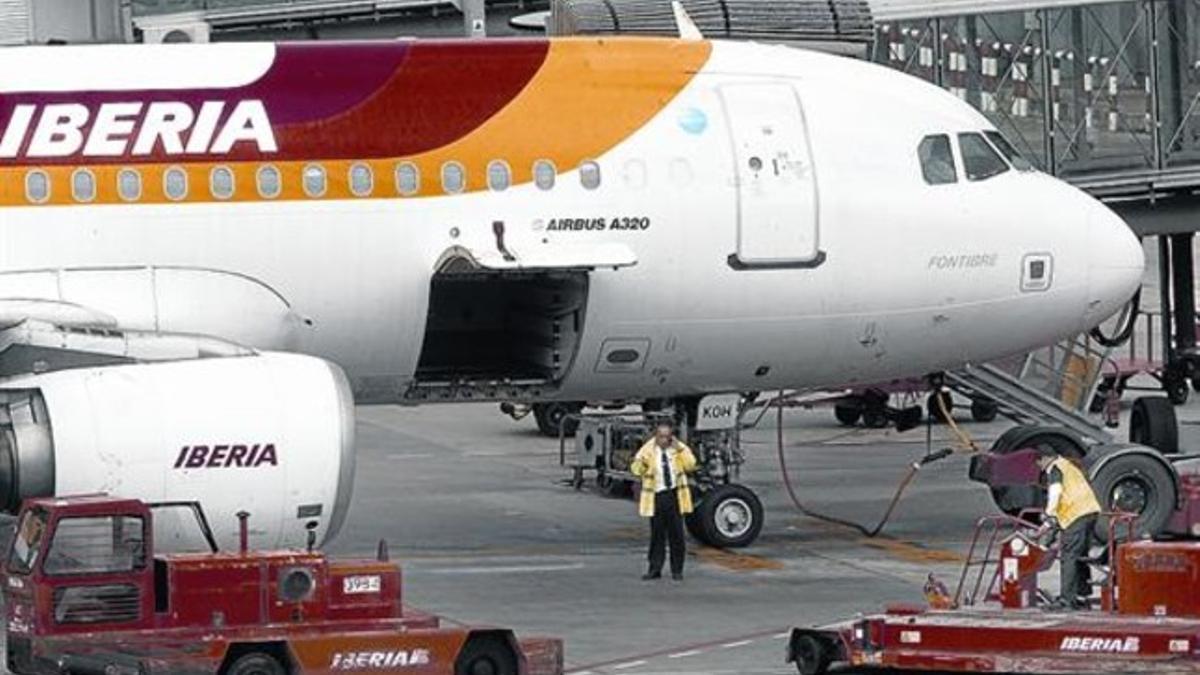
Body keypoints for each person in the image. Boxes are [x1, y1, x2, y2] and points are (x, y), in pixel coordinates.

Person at [630, 421, 698, 581]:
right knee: (657, 535)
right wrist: (642, 465)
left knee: (677, 535)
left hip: (674, 495)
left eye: (667, 437)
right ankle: (655, 568)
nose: (664, 440)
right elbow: (635, 468)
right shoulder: (648, 450)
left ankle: (677, 570)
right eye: (661, 436)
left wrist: (679, 449)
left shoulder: (679, 449)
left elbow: (691, 465)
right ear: (656, 436)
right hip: (657, 496)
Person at [1035, 449, 1101, 610]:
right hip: (1090, 512)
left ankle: (1067, 600)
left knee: (1069, 556)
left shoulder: (1056, 468)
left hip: (1075, 514)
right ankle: (1081, 596)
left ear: (1044, 459)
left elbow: (1055, 493)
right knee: (1080, 556)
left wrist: (1048, 516)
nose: (1039, 466)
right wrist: (1049, 528)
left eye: (1038, 462)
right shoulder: (1068, 466)